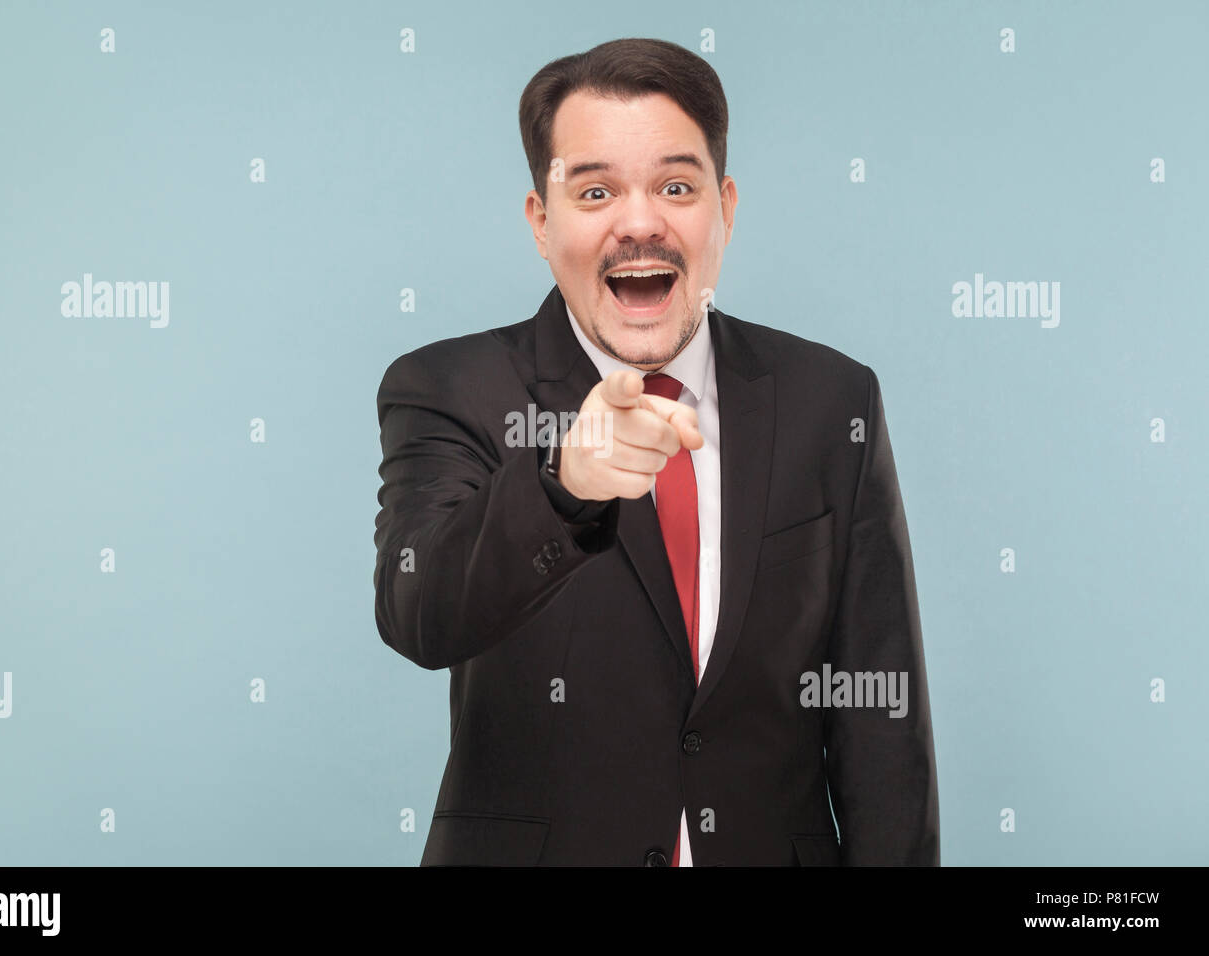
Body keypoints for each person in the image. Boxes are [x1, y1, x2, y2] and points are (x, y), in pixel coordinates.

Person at [373, 37, 939, 866]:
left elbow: (880, 720)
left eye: (676, 186)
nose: (640, 223)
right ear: (541, 221)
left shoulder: (833, 400)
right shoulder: (448, 387)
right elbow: (417, 613)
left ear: (726, 207)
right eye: (595, 190)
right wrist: (563, 485)